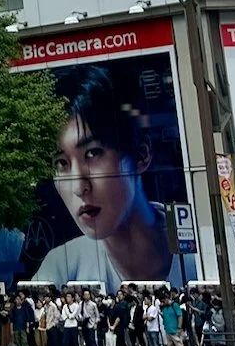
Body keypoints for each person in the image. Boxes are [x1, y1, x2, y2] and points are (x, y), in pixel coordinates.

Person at [31, 68, 193, 290]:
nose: (79, 187)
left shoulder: (197, 254)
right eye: (61, 163)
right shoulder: (60, 268)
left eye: (93, 153)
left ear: (141, 155)